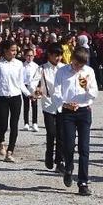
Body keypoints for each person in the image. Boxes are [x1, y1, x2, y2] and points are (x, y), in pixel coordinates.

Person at [53, 48, 98, 196]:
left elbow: (94, 93)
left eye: (82, 65)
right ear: (72, 59)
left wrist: (86, 88)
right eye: (77, 64)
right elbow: (56, 93)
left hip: (84, 111)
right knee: (69, 145)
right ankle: (68, 167)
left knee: (84, 148)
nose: (79, 68)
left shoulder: (89, 71)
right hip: (68, 112)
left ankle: (83, 182)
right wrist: (65, 104)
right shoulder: (62, 72)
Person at [0, 41, 30, 163]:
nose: (14, 52)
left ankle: (10, 152)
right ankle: (0, 140)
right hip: (2, 98)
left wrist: (29, 94)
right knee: (3, 124)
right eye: (12, 50)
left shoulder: (19, 64)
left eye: (16, 50)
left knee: (14, 124)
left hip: (16, 97)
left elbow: (21, 83)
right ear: (5, 51)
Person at [30, 43, 66, 173]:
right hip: (48, 104)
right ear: (49, 55)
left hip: (63, 105)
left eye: (60, 55)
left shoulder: (65, 68)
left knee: (61, 134)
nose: (58, 58)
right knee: (51, 132)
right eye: (56, 55)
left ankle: (59, 160)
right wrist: (36, 90)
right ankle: (49, 153)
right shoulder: (42, 69)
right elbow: (33, 82)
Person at [21, 48, 40, 132]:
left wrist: (36, 87)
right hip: (25, 86)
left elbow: (38, 77)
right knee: (26, 105)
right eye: (28, 55)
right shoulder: (21, 65)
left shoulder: (36, 66)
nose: (29, 57)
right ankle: (26, 123)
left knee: (34, 104)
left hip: (33, 86)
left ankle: (35, 123)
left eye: (31, 55)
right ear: (25, 56)